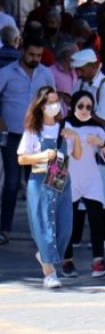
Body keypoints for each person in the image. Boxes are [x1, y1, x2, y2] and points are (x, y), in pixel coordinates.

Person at [17, 87, 81, 288]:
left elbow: (77, 155)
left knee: (64, 227)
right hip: (39, 177)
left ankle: (46, 256)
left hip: (60, 175)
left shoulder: (65, 126)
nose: (54, 106)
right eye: (50, 102)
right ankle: (49, 273)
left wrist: (76, 137)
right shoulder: (33, 130)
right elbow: (22, 158)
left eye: (57, 101)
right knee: (44, 225)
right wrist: (42, 156)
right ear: (41, 105)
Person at [0, 36, 55, 246]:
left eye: (39, 55)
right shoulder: (6, 73)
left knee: (39, 184)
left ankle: (40, 229)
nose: (35, 59)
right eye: (31, 54)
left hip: (38, 135)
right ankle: (5, 228)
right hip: (13, 135)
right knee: (12, 183)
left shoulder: (46, 73)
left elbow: (52, 99)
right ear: (22, 50)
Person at [62, 91, 105, 278]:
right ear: (73, 106)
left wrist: (101, 143)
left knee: (97, 219)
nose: (84, 110)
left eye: (88, 107)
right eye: (80, 106)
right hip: (70, 177)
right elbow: (57, 153)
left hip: (92, 177)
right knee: (66, 222)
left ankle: (98, 262)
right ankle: (67, 261)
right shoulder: (65, 125)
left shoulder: (97, 127)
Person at [71, 48, 105, 249]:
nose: (79, 73)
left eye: (82, 69)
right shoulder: (79, 83)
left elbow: (104, 119)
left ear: (93, 67)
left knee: (102, 191)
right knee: (77, 190)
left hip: (100, 143)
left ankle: (104, 237)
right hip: (79, 142)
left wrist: (81, 114)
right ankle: (74, 237)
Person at [50, 42, 78, 116]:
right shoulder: (51, 72)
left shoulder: (76, 72)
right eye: (77, 54)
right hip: (57, 117)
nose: (79, 57)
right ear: (66, 56)